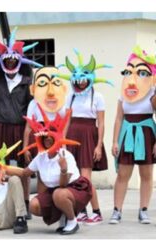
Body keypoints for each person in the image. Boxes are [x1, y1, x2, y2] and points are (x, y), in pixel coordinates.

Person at [0, 28, 42, 218]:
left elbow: (32, 109)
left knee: (22, 169)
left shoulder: (27, 82)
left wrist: (31, 134)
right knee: (1, 167)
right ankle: (2, 205)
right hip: (1, 128)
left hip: (21, 130)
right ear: (1, 62)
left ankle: (24, 205)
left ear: (19, 61)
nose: (10, 62)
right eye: (7, 60)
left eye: (13, 60)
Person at [10, 106, 91, 235]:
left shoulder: (65, 155)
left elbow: (64, 185)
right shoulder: (41, 156)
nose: (47, 140)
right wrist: (3, 169)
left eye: (50, 137)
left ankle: (72, 221)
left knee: (59, 194)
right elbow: (25, 173)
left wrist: (64, 169)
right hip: (56, 191)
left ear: (56, 138)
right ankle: (63, 214)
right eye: (45, 137)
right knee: (33, 205)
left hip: (75, 189)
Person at [59, 49, 112, 225]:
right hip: (72, 135)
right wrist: (62, 142)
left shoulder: (98, 96)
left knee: (85, 178)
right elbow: (66, 121)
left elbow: (101, 123)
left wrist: (98, 145)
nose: (80, 83)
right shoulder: (70, 96)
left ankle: (96, 211)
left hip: (89, 135)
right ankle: (82, 211)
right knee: (74, 177)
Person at [109, 45, 156, 225]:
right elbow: (118, 118)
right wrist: (114, 141)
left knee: (146, 174)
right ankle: (117, 210)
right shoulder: (124, 93)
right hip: (127, 132)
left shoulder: (152, 91)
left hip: (146, 131)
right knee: (123, 174)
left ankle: (143, 210)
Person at [23, 66, 68, 194]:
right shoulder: (33, 104)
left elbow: (65, 126)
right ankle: (43, 202)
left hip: (57, 138)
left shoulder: (63, 103)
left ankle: (58, 201)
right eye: (42, 83)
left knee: (58, 168)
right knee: (41, 170)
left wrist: (63, 144)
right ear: (34, 88)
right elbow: (28, 126)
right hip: (40, 138)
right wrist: (25, 147)